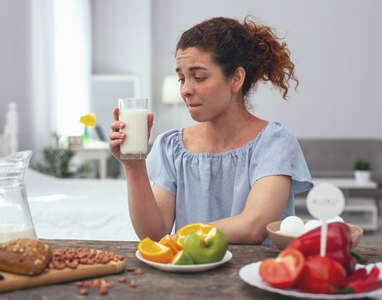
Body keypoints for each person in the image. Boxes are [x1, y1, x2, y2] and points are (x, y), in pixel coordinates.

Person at [109, 16, 313, 244]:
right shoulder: (172, 147)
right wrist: (135, 166)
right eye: (181, 78)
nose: (186, 89)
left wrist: (181, 238)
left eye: (199, 77)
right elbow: (155, 235)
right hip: (190, 277)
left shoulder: (273, 142)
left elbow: (254, 226)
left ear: (236, 79)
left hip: (255, 276)